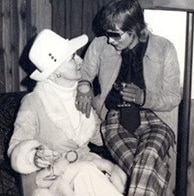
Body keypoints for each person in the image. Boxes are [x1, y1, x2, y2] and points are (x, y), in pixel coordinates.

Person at [75, 0, 181, 195]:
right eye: (107, 33)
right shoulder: (99, 46)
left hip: (157, 120)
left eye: (115, 34)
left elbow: (174, 96)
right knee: (145, 169)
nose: (109, 40)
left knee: (146, 159)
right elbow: (83, 73)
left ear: (134, 29)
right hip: (114, 120)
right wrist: (83, 85)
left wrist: (144, 98)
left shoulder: (164, 47)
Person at [7, 29, 127, 196]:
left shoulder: (81, 97)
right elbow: (16, 146)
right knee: (85, 173)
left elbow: (101, 137)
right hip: (54, 178)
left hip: (89, 167)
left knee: (99, 174)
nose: (80, 60)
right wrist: (33, 157)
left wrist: (126, 134)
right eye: (72, 58)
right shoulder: (33, 102)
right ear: (55, 72)